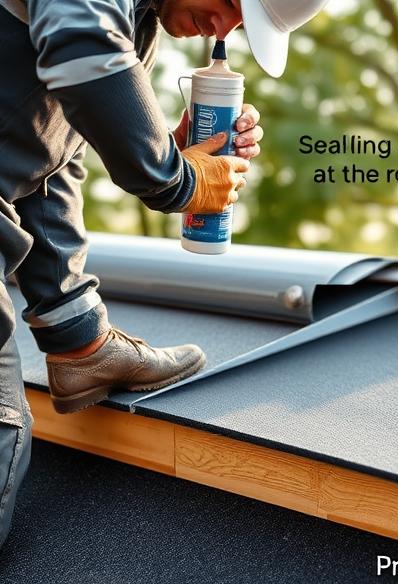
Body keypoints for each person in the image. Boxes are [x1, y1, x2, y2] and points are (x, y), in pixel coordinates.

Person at [0, 0, 330, 547]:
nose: (223, 30)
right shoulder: (97, 20)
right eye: (231, 4)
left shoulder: (137, 20)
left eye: (242, 25)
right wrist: (176, 177)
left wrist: (77, 336)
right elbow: (81, 43)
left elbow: (43, 161)